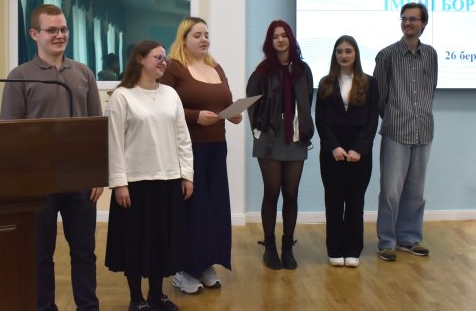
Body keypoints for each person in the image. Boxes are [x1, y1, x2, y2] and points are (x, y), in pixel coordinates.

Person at [0, 4, 103, 311]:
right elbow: (9, 134)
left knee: (84, 252)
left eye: (64, 29)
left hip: (80, 180)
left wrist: (98, 173)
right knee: (39, 255)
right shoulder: (19, 76)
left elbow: (96, 127)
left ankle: (88, 307)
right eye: (52, 30)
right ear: (34, 34)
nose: (60, 35)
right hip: (38, 182)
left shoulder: (83, 73)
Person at [105, 40, 194, 311]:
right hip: (135, 182)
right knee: (135, 241)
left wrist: (187, 175)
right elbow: (114, 143)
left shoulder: (171, 94)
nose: (163, 62)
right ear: (140, 59)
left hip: (168, 178)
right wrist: (119, 183)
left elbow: (182, 137)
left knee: (160, 240)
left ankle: (157, 294)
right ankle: (136, 299)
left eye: (165, 58)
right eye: (157, 57)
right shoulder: (122, 96)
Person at [159, 16, 241, 294]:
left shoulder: (215, 66)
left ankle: (205, 264)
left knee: (214, 207)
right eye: (197, 35)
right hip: (188, 149)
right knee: (193, 209)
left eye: (206, 34)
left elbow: (225, 100)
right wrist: (195, 117)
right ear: (184, 39)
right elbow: (162, 107)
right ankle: (184, 269)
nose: (204, 39)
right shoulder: (173, 68)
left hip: (217, 147)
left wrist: (234, 113)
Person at [246, 20, 314, 270]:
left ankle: (287, 247)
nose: (280, 40)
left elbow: (307, 100)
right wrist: (259, 131)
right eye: (275, 37)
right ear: (270, 42)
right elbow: (251, 103)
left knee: (291, 194)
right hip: (270, 140)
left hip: (295, 139)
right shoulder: (262, 71)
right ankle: (270, 247)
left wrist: (302, 127)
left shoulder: (303, 70)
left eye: (284, 35)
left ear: (290, 38)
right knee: (272, 193)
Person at [373, 2, 438, 262]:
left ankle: (409, 238)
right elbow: (379, 97)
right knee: (390, 191)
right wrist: (394, 116)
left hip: (423, 130)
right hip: (396, 131)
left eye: (413, 19)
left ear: (424, 24)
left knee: (415, 190)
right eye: (404, 18)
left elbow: (430, 89)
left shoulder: (431, 54)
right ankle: (387, 241)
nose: (407, 23)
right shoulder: (386, 55)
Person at [315, 35, 379, 268]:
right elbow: (320, 120)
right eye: (339, 51)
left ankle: (353, 249)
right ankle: (335, 249)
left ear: (356, 54)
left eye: (348, 51)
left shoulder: (370, 83)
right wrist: (333, 146)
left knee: (355, 201)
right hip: (332, 152)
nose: (343, 55)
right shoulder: (325, 82)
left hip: (359, 153)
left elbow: (372, 120)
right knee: (333, 201)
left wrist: (359, 149)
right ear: (335, 55)